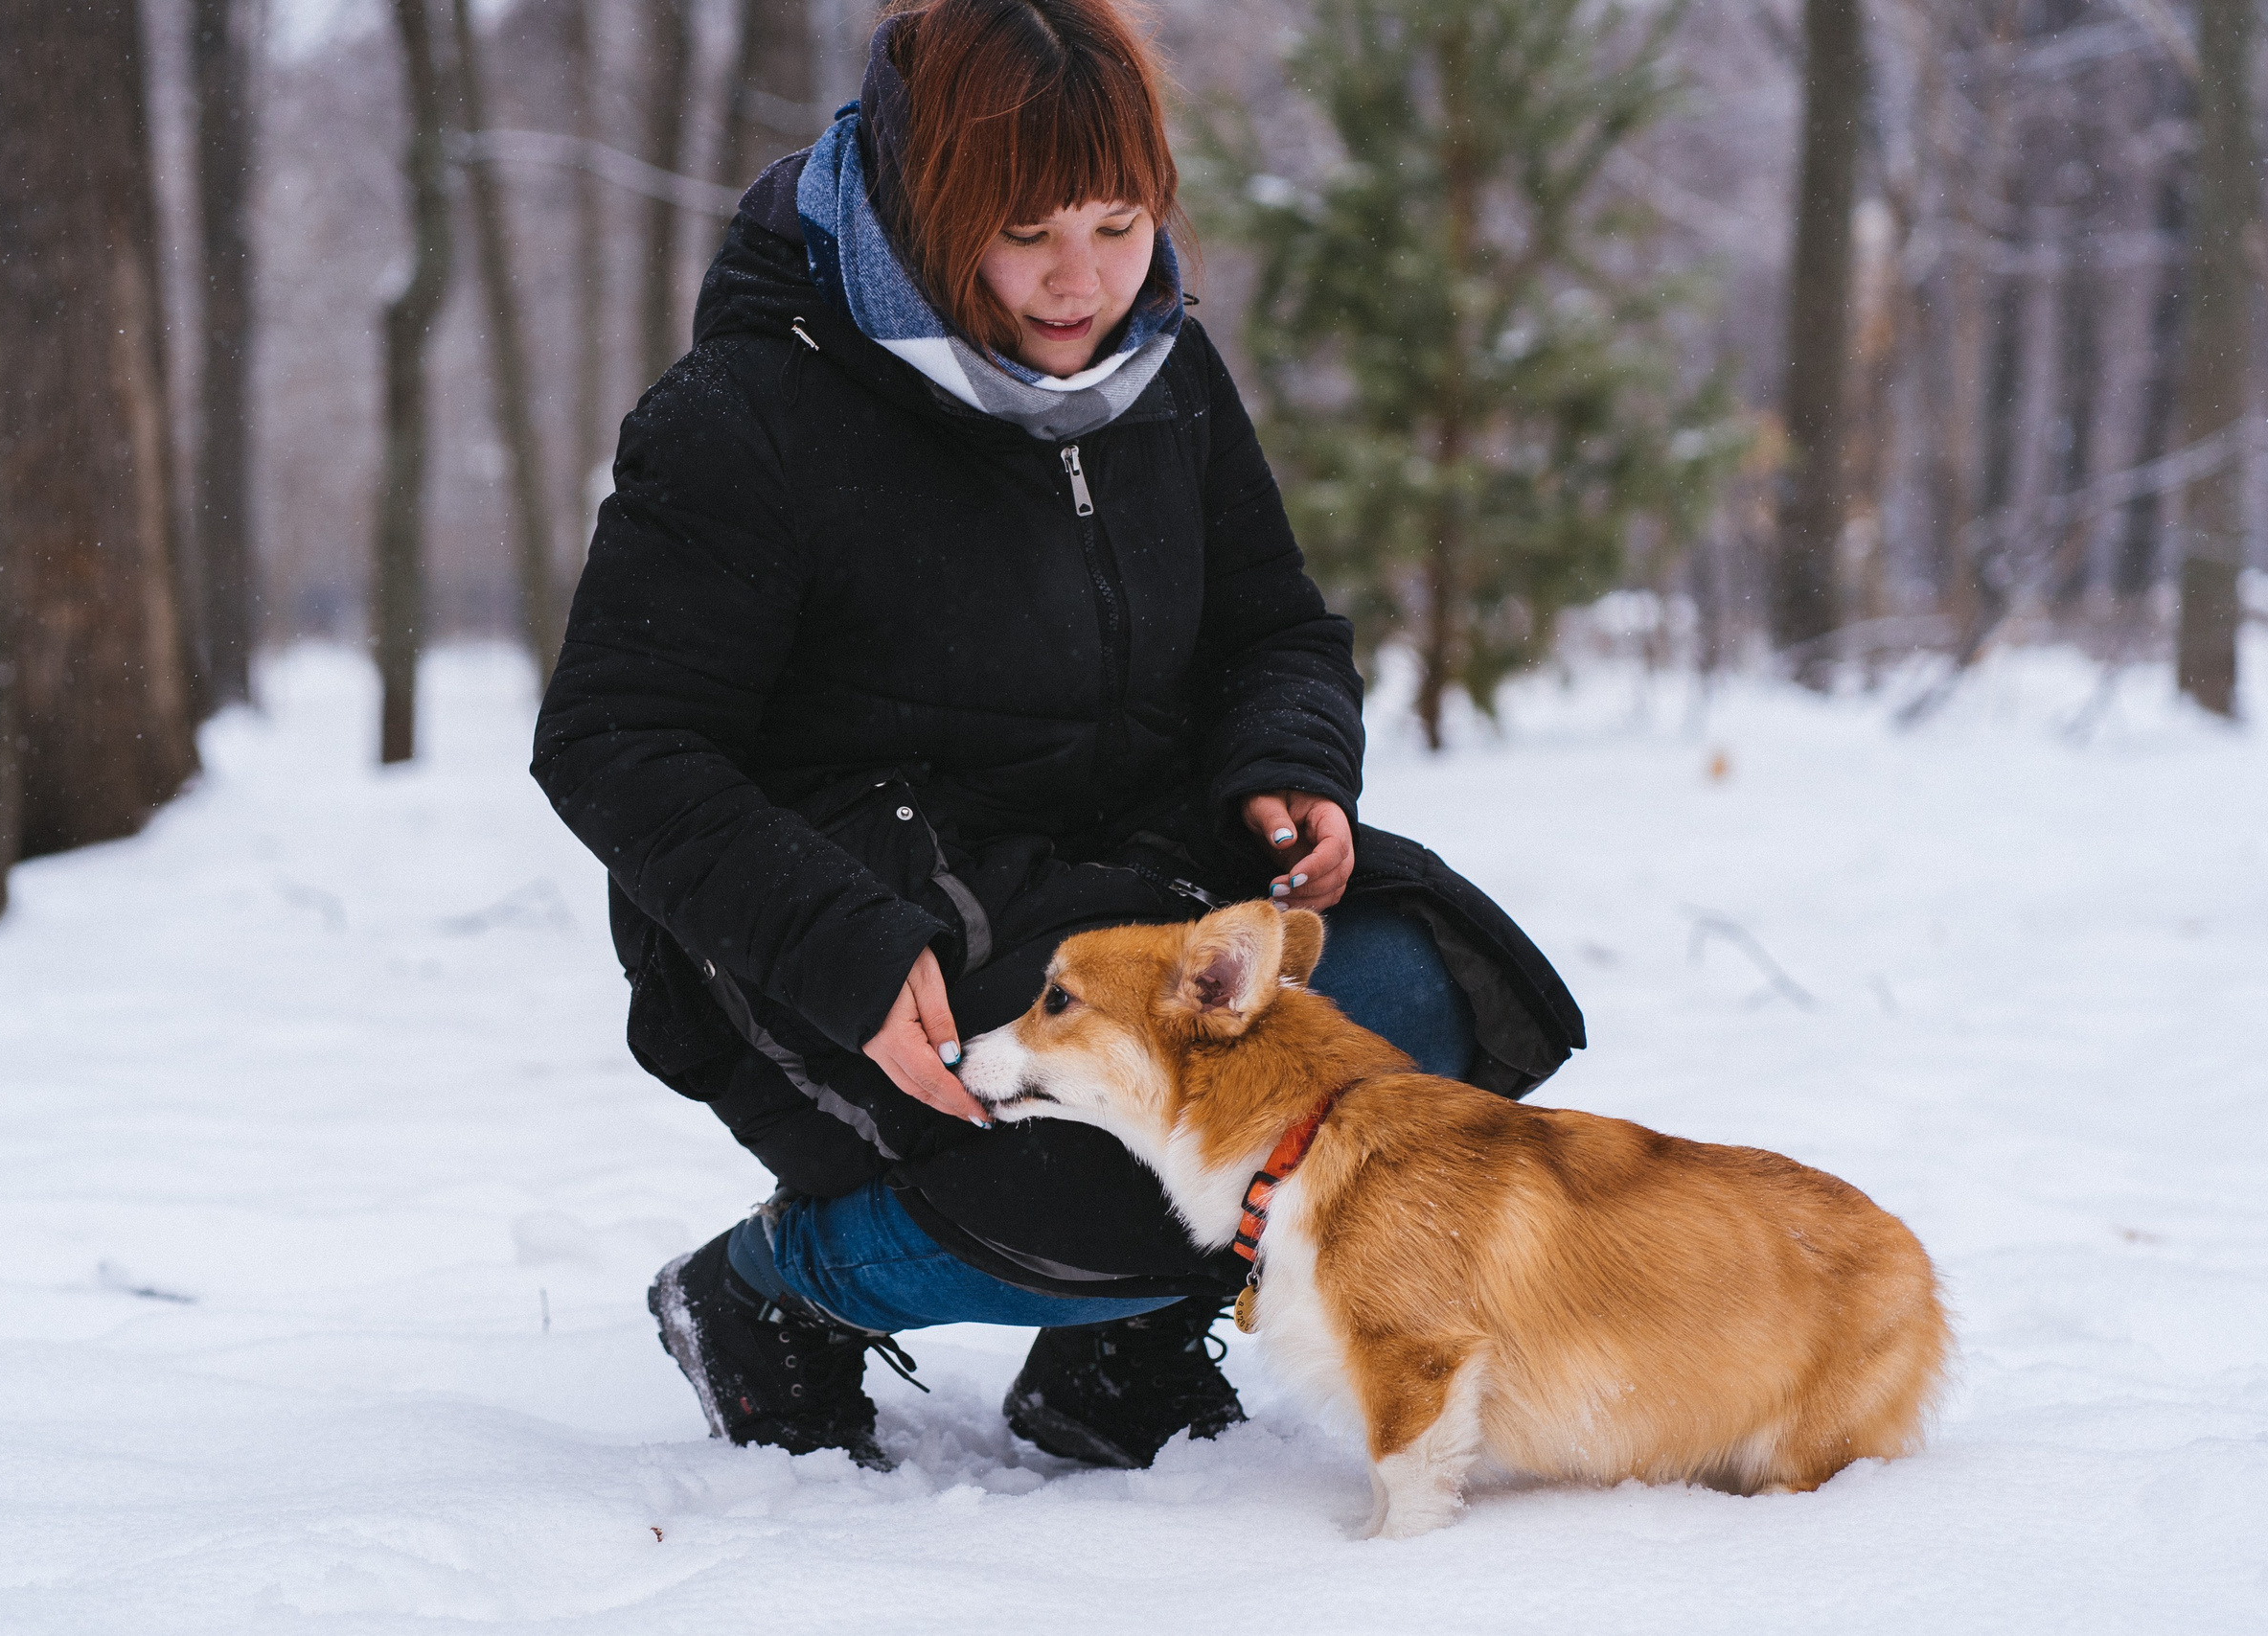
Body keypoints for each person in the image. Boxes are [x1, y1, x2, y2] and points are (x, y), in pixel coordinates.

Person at [532, 0, 1583, 1472]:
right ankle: (771, 1294)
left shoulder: (1162, 378)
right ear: (927, 204)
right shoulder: (749, 412)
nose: (1081, 280)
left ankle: (1116, 1358)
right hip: (835, 928)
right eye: (1026, 231)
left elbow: (1276, 626)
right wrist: (836, 936)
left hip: (1123, 874)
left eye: (1120, 219)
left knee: (1426, 1016)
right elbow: (610, 739)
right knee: (1121, 1183)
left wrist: (1286, 759)